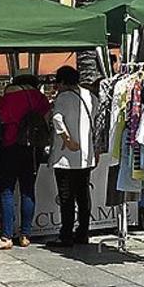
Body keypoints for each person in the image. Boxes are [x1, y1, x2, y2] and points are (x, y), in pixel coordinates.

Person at [0, 73, 50, 251]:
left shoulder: (10, 96)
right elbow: (46, 119)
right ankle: (25, 235)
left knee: (7, 191)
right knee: (28, 190)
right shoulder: (40, 97)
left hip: (10, 145)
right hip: (32, 148)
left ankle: (6, 236)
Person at [46, 66, 98, 248]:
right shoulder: (90, 96)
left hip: (66, 156)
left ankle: (66, 234)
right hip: (86, 154)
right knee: (83, 195)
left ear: (61, 82)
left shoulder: (63, 97)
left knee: (66, 196)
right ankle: (83, 231)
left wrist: (67, 139)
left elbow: (57, 119)